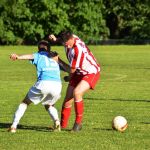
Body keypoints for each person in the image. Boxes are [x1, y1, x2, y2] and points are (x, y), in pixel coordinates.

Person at [8, 40, 69, 133]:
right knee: (49, 104)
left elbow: (30, 56)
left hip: (44, 83)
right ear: (49, 49)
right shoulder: (55, 57)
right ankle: (57, 122)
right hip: (57, 85)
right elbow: (67, 68)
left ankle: (13, 126)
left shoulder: (39, 55)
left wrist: (18, 57)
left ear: (38, 49)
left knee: (25, 102)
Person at [49, 31, 100, 131]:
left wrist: (58, 60)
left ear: (72, 39)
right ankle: (62, 126)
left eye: (67, 44)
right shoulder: (69, 39)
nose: (66, 47)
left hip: (90, 72)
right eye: (64, 44)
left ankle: (78, 124)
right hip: (78, 72)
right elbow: (74, 70)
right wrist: (56, 39)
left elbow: (71, 69)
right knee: (67, 100)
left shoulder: (78, 50)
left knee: (77, 92)